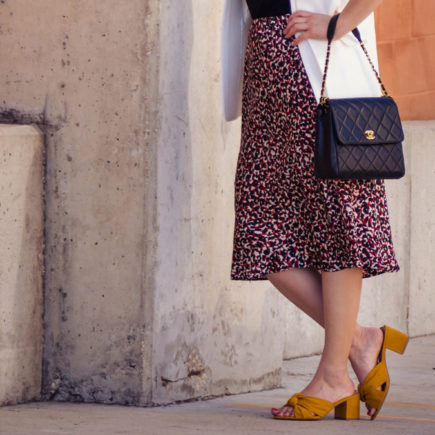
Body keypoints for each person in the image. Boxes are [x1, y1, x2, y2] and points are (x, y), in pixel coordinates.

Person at [227, 0, 409, 421]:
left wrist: (338, 24)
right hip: (267, 78)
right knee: (261, 235)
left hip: (319, 73)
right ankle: (362, 342)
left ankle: (333, 376)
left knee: (338, 226)